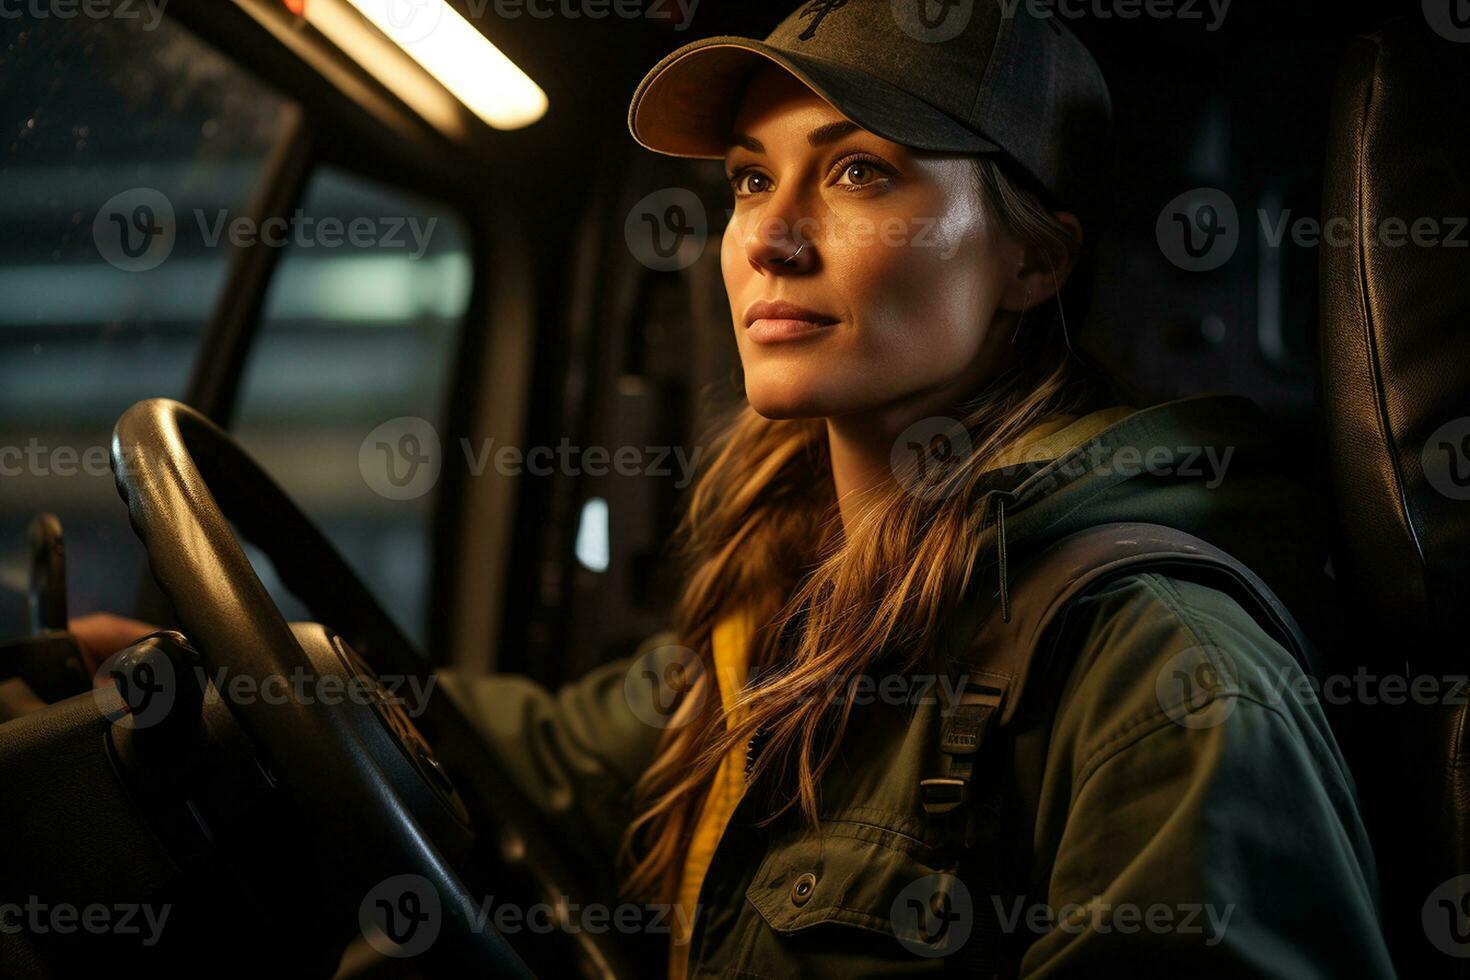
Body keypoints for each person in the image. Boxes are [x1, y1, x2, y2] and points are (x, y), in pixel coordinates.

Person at [77, 2, 1396, 976]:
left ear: (1031, 263)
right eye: (750, 179)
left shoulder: (1156, 668)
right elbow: (537, 753)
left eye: (859, 171)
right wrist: (248, 678)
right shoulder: (786, 611)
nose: (766, 235)